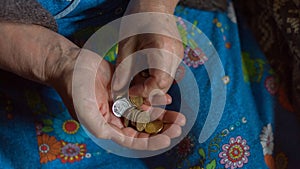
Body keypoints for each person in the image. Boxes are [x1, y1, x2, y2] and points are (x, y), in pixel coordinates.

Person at [0, 0, 298, 168]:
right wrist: (55, 61)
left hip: (170, 21)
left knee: (231, 152)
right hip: (29, 56)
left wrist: (154, 8)